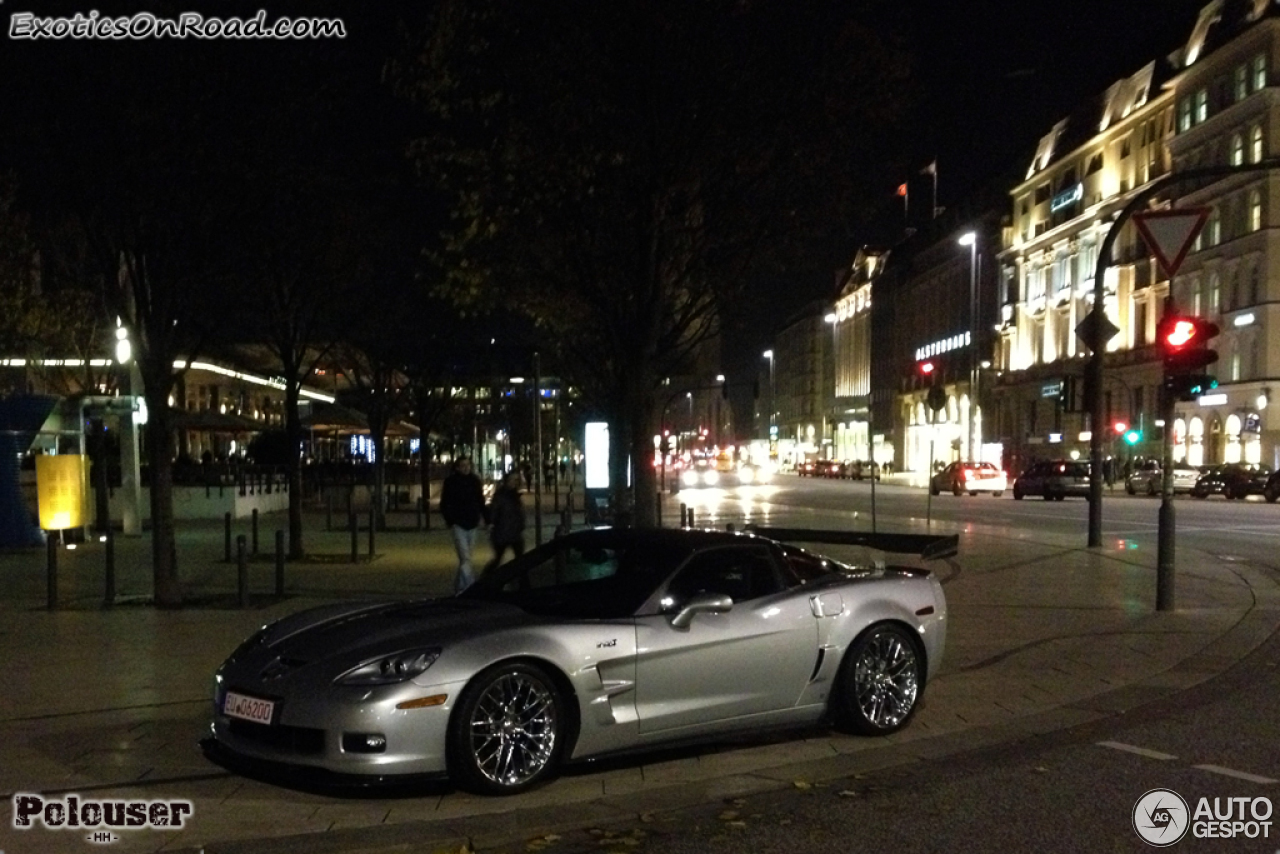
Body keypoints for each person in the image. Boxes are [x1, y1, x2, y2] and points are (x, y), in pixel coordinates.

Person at [439, 456, 486, 594]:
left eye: (468, 465)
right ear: (457, 467)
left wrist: (485, 518)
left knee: (466, 559)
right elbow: (445, 502)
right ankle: (471, 588)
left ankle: (460, 587)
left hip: (472, 523)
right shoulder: (451, 482)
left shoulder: (475, 481)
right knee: (465, 558)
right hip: (459, 524)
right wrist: (450, 520)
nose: (466, 468)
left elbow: (480, 500)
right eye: (463, 465)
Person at [484, 469, 527, 574]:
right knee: (498, 559)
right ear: (506, 481)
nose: (515, 482)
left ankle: (524, 584)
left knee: (520, 560)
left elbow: (518, 513)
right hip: (502, 532)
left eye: (516, 479)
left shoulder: (514, 494)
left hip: (513, 532)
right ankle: (485, 580)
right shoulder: (502, 495)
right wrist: (490, 524)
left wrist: (521, 525)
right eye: (512, 479)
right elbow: (494, 512)